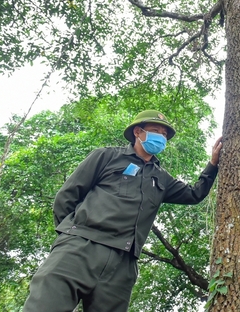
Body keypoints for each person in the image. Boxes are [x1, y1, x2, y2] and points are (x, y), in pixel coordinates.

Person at [23, 110, 223, 312]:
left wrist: (212, 165)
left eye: (164, 134)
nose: (161, 137)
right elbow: (67, 196)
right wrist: (71, 235)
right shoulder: (106, 156)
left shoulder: (161, 178)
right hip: (80, 248)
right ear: (138, 131)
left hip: (123, 264)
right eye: (155, 131)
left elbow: (194, 194)